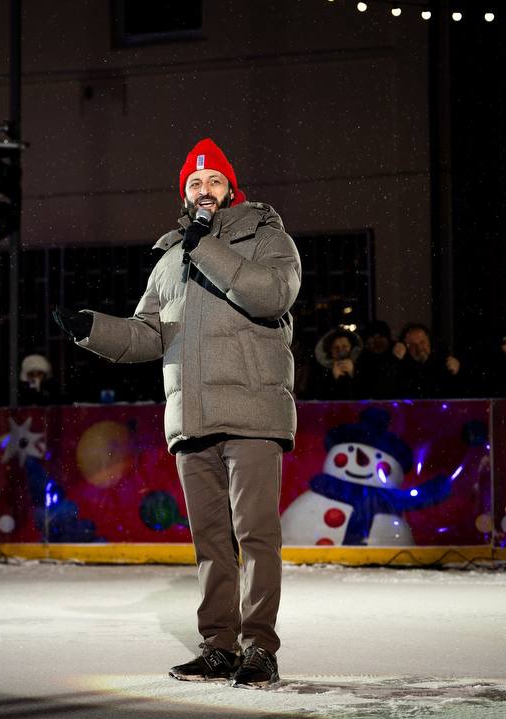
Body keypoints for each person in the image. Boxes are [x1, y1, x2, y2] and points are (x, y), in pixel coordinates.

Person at [54, 138, 299, 688]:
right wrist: (93, 329)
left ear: (230, 189)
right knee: (211, 543)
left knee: (255, 536)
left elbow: (270, 296)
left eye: (214, 181)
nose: (204, 190)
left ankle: (259, 647)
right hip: (191, 419)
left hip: (254, 413)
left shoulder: (268, 238)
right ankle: (219, 647)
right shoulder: (170, 260)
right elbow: (149, 334)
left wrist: (204, 246)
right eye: (195, 183)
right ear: (184, 194)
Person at [393, 323, 463, 399]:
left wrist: (458, 371)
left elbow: (457, 391)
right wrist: (395, 360)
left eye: (422, 342)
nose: (419, 348)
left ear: (429, 341)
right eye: (413, 345)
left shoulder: (442, 361)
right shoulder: (401, 367)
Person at [308, 327, 367, 400]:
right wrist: (335, 379)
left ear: (351, 348)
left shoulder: (363, 367)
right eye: (336, 347)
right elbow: (320, 397)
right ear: (330, 351)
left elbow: (366, 395)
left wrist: (352, 373)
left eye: (344, 346)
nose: (341, 351)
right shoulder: (320, 372)